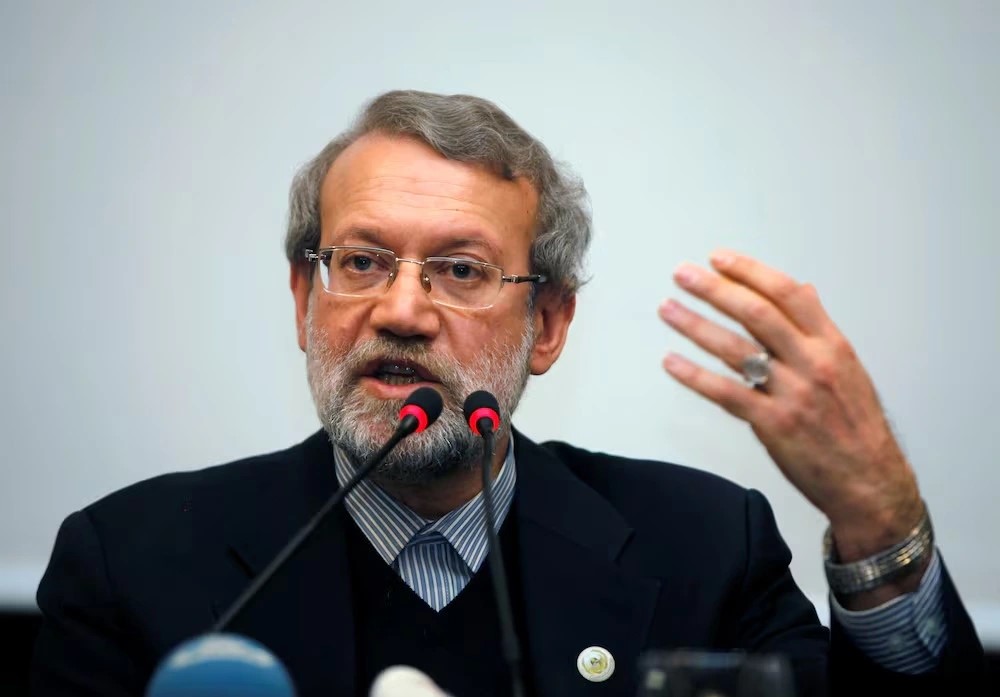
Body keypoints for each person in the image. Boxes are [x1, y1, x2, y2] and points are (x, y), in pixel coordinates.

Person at [31, 91, 986, 697]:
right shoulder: (133, 566)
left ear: (550, 323)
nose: (402, 310)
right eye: (360, 262)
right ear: (303, 298)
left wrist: (879, 521)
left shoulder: (703, 550)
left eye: (460, 269)